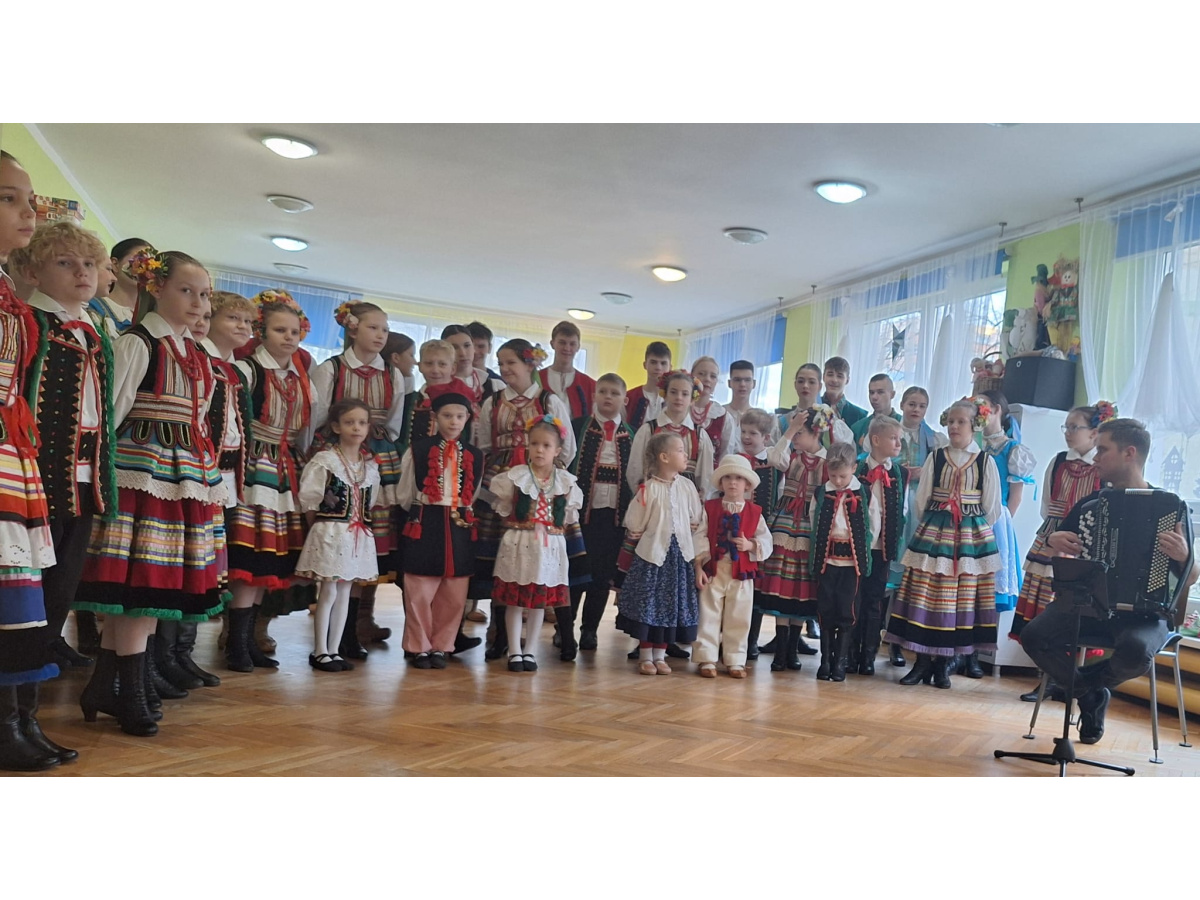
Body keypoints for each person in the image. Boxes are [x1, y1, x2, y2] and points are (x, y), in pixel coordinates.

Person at [77, 248, 226, 736]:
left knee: (150, 589)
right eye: (186, 291)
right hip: (141, 477)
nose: (198, 303)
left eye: (204, 294)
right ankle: (128, 691)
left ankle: (108, 685)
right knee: (137, 590)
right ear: (156, 288)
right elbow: (111, 414)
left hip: (183, 480)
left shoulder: (195, 353)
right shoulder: (138, 343)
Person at [1020, 418, 1197, 745]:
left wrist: (1185, 557)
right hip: (1090, 605)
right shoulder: (1092, 504)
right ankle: (1091, 696)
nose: (1096, 457)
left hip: (1146, 613)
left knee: (1136, 652)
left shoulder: (1170, 507)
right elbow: (1056, 542)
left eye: (1103, 449)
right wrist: (1055, 540)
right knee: (1034, 636)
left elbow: (1192, 577)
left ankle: (1086, 689)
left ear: (1129, 453)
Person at [12, 222, 115, 672]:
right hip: (40, 467)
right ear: (33, 272)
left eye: (89, 263)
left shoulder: (94, 330)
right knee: (32, 567)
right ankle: (25, 654)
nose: (82, 273)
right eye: (65, 263)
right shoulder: (28, 322)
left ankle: (49, 643)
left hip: (85, 469)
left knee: (66, 570)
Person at [0, 150, 69, 770]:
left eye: (29, 199)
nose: (28, 211)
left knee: (18, 588)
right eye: (9, 198)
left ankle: (16, 719)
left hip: (10, 450)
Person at [309, 302, 406, 657]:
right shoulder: (331, 369)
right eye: (373, 328)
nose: (381, 335)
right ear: (352, 329)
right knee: (338, 542)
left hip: (376, 459)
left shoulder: (393, 374)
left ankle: (354, 628)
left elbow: (393, 424)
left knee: (367, 544)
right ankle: (330, 637)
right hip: (339, 456)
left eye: (385, 329)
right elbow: (317, 418)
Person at [884, 397, 1002, 690]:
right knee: (926, 595)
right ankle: (922, 661)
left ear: (975, 425)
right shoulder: (936, 457)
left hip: (969, 539)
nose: (954, 427)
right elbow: (922, 499)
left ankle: (943, 665)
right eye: (951, 421)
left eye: (961, 422)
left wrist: (971, 530)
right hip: (935, 533)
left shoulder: (985, 461)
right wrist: (934, 524)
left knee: (959, 600)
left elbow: (991, 507)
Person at [224, 290, 313, 672]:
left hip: (283, 468)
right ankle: (235, 643)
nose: (289, 337)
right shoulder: (248, 370)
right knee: (250, 555)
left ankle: (247, 641)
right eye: (280, 330)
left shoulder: (300, 377)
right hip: (253, 467)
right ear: (261, 332)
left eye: (294, 331)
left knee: (268, 559)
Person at [471, 338, 574, 660]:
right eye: (501, 363)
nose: (504, 369)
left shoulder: (549, 400)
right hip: (502, 485)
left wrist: (547, 478)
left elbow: (567, 449)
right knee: (501, 561)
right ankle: (499, 634)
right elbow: (484, 445)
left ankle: (555, 638)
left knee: (541, 561)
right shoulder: (493, 402)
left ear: (530, 363)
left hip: (540, 486)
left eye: (511, 363)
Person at [1010, 403, 1111, 700]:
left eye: (1074, 427)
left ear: (1094, 433)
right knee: (1044, 607)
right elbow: (1046, 504)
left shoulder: (1102, 468)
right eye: (1066, 426)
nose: (1068, 432)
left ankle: (1069, 679)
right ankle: (1048, 677)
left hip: (1083, 543)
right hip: (1053, 537)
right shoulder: (1057, 461)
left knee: (1071, 608)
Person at [488, 416, 583, 672]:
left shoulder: (565, 482)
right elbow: (503, 505)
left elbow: (568, 516)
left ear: (557, 450)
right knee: (515, 600)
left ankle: (530, 651)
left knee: (538, 601)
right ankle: (514, 651)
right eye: (535, 444)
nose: (540, 450)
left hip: (549, 547)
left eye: (546, 445)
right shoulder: (515, 477)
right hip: (520, 544)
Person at [396, 392, 483, 668]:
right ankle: (418, 646)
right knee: (419, 588)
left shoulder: (475, 454)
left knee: (454, 591)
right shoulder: (418, 449)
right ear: (435, 417)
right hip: (426, 520)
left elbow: (473, 493)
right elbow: (405, 492)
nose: (453, 422)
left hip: (459, 525)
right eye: (447, 416)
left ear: (467, 418)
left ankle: (442, 646)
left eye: (459, 416)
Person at [296, 399, 381, 672]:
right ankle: (320, 650)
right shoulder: (326, 461)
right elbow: (310, 499)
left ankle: (334, 649)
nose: (356, 428)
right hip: (331, 533)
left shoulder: (369, 466)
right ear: (336, 426)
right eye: (349, 422)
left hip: (357, 536)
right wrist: (319, 528)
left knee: (345, 591)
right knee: (328, 591)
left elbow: (370, 501)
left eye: (362, 423)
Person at [616, 432, 705, 676]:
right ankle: (646, 655)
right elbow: (635, 523)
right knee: (650, 605)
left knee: (670, 605)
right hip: (653, 557)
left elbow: (695, 518)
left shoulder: (687, 486)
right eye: (680, 450)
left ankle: (660, 654)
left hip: (680, 556)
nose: (686, 455)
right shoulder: (649, 489)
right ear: (664, 457)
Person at [559, 373, 634, 658]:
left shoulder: (632, 434)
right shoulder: (578, 427)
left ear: (624, 399)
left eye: (614, 393)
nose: (608, 397)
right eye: (603, 391)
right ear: (594, 395)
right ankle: (564, 629)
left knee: (602, 575)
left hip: (614, 516)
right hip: (580, 514)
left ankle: (589, 629)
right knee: (575, 570)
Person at [756, 406, 836, 670]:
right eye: (795, 433)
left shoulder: (828, 462)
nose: (796, 437)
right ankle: (781, 651)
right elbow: (773, 457)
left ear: (816, 433)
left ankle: (792, 649)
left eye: (800, 432)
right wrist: (789, 431)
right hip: (785, 523)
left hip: (810, 526)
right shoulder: (791, 456)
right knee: (781, 583)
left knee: (801, 586)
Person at [693, 455, 772, 678]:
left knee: (739, 616)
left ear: (747, 484)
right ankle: (706, 658)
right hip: (714, 570)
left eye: (738, 478)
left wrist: (750, 545)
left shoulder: (755, 512)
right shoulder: (710, 508)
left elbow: (766, 541)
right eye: (728, 477)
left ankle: (735, 659)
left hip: (741, 573)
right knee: (708, 614)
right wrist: (699, 565)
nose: (733, 482)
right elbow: (700, 536)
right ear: (721, 483)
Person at [889, 385, 948, 666]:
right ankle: (884, 637)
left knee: (912, 576)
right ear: (902, 404)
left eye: (922, 405)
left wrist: (925, 473)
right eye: (911, 404)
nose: (916, 409)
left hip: (920, 506)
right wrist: (903, 472)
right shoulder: (892, 431)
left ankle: (901, 640)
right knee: (891, 573)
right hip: (893, 498)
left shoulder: (933, 439)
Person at [977, 390, 1037, 655]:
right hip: (970, 517)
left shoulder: (1013, 449)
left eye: (982, 406)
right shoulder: (976, 445)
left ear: (997, 409)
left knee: (990, 587)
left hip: (996, 521)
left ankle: (980, 650)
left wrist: (998, 523)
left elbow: (1015, 497)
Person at [809, 442, 871, 681]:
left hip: (851, 565)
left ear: (854, 468)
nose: (837, 481)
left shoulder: (863, 493)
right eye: (832, 475)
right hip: (827, 561)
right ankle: (825, 661)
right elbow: (815, 523)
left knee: (847, 609)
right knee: (826, 608)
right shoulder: (821, 493)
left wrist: (862, 550)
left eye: (842, 476)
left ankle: (840, 662)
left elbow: (872, 526)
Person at [853, 417, 907, 675]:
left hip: (882, 547)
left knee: (875, 600)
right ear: (876, 440)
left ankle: (868, 655)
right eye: (893, 438)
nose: (898, 443)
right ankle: (849, 653)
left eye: (899, 439)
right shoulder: (856, 468)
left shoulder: (899, 473)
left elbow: (901, 511)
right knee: (855, 598)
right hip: (856, 547)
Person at [738, 408, 784, 661]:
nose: (746, 437)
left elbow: (779, 498)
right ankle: (731, 639)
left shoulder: (774, 468)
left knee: (755, 588)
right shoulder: (736, 460)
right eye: (744, 431)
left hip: (759, 534)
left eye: (753, 433)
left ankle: (751, 641)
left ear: (766, 437)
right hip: (734, 531)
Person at [627, 369, 714, 497]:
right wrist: (642, 496)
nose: (678, 397)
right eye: (673, 392)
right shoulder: (648, 430)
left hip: (687, 499)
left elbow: (706, 476)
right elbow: (635, 469)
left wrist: (699, 500)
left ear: (692, 399)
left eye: (685, 394)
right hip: (654, 497)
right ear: (665, 394)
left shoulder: (699, 435)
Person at [778, 363, 854, 446]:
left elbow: (847, 451)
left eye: (811, 382)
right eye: (801, 381)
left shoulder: (831, 421)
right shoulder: (783, 422)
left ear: (820, 386)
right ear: (795, 384)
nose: (805, 386)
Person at [88, 237, 151, 337]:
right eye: (140, 260)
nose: (145, 269)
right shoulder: (93, 306)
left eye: (150, 264)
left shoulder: (151, 316)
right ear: (115, 264)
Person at [538, 319, 596, 419]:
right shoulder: (536, 379)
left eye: (572, 344)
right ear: (552, 344)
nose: (567, 348)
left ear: (578, 347)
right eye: (562, 343)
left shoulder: (590, 385)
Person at [443, 323, 501, 412]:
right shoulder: (439, 383)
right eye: (454, 347)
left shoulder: (496, 385)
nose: (463, 353)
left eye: (467, 345)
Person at [725, 359, 779, 452]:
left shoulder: (765, 419)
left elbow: (772, 452)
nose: (742, 384)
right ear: (729, 383)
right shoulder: (719, 414)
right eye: (737, 380)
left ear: (753, 383)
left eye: (747, 380)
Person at [689, 355, 735, 460]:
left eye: (713, 376)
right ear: (692, 376)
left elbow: (726, 456)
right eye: (701, 374)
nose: (707, 379)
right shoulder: (680, 409)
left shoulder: (724, 417)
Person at [624, 340, 672, 431]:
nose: (658, 367)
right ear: (645, 365)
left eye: (663, 363)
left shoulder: (674, 399)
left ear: (670, 367)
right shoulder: (629, 397)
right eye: (653, 362)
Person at [850, 373, 900, 451]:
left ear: (892, 394)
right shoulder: (857, 428)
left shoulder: (903, 425)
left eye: (880, 392)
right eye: (871, 392)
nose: (874, 397)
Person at [821, 356, 869, 428]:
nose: (834, 380)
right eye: (830, 375)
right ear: (823, 377)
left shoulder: (860, 416)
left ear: (847, 380)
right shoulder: (812, 407)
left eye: (840, 376)